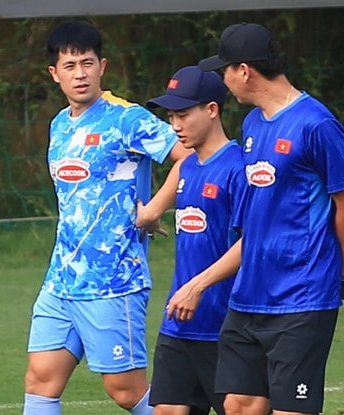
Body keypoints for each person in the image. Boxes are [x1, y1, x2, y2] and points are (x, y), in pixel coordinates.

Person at [166, 22, 344, 415]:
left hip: (301, 295)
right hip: (249, 294)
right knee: (239, 404)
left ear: (244, 71)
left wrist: (340, 273)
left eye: (225, 69)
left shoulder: (316, 124)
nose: (223, 81)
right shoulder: (253, 124)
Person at [22, 21, 192, 415]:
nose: (79, 74)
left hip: (113, 279)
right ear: (54, 74)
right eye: (70, 66)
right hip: (62, 278)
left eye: (87, 63)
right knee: (41, 380)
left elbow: (191, 157)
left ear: (102, 66)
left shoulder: (126, 119)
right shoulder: (59, 124)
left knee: (126, 392)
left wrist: (154, 208)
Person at [137, 65, 248, 415]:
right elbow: (150, 212)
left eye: (183, 115)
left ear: (212, 110)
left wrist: (197, 287)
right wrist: (146, 215)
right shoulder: (185, 168)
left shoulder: (238, 169)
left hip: (225, 328)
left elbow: (252, 243)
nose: (175, 125)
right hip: (179, 324)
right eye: (171, 116)